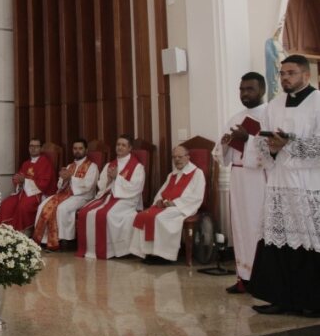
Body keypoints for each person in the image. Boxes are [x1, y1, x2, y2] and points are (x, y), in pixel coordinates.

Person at [248, 55, 320, 317]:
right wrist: (271, 146)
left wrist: (288, 144)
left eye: (291, 73)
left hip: (308, 182)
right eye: (282, 73)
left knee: (309, 240)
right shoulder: (274, 105)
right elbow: (261, 140)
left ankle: (312, 301)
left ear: (306, 75)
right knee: (278, 239)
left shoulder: (318, 101)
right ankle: (280, 298)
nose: (285, 78)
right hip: (280, 181)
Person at [217, 72, 267, 293]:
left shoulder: (270, 115)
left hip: (259, 178)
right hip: (238, 177)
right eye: (242, 89)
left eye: (250, 89)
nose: (245, 94)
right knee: (239, 226)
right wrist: (225, 143)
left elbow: (272, 151)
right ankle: (243, 277)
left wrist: (248, 139)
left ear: (262, 90)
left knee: (258, 227)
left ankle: (262, 279)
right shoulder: (235, 118)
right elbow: (221, 154)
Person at [129, 146, 206, 264]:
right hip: (167, 206)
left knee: (161, 217)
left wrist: (174, 203)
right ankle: (149, 252)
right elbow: (161, 192)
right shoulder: (172, 174)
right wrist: (159, 201)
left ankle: (164, 255)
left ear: (188, 157)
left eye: (180, 157)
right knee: (143, 215)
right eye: (174, 157)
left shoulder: (197, 173)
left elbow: (197, 197)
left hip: (184, 207)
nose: (177, 160)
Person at [76, 134, 146, 260]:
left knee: (105, 214)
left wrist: (117, 178)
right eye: (118, 144)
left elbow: (136, 187)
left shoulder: (137, 167)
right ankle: (90, 249)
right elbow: (101, 184)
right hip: (108, 196)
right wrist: (109, 180)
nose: (120, 147)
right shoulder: (110, 165)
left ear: (130, 148)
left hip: (127, 199)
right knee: (84, 212)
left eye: (123, 145)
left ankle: (110, 250)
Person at [33, 138, 99, 251]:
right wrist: (64, 179)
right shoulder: (69, 166)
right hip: (66, 194)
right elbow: (60, 186)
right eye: (75, 148)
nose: (77, 151)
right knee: (42, 206)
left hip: (83, 197)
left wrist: (71, 178)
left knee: (62, 208)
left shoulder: (92, 166)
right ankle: (43, 240)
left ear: (86, 150)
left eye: (80, 148)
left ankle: (64, 241)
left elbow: (88, 185)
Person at [0, 140, 57, 231]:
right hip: (24, 192)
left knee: (23, 207)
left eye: (36, 146)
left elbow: (44, 183)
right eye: (31, 146)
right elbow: (20, 177)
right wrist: (18, 181)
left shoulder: (45, 163)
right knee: (5, 205)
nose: (33, 148)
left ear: (40, 149)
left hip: (38, 193)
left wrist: (24, 180)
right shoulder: (26, 163)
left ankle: (21, 231)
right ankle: (3, 231)